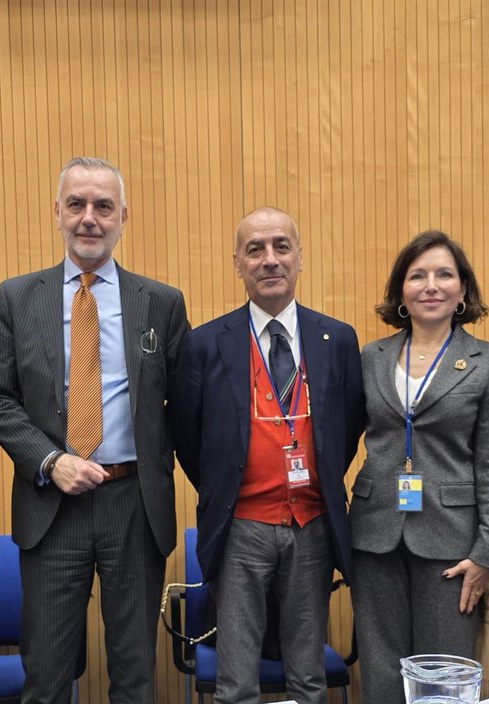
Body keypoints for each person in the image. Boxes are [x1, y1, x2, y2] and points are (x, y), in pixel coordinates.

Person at [0, 157, 189, 704]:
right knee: (46, 676)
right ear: (57, 213)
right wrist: (50, 461)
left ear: (124, 216)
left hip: (134, 503)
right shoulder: (17, 297)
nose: (89, 218)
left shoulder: (161, 303)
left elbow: (188, 405)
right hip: (53, 507)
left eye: (103, 206)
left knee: (135, 674)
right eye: (76, 205)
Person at [170, 207, 365, 704]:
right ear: (237, 263)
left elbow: (346, 429)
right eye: (255, 249)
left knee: (308, 676)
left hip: (313, 525)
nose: (269, 259)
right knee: (236, 682)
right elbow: (189, 439)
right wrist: (231, 485)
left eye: (281, 246)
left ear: (301, 258)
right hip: (241, 529)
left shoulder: (336, 339)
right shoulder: (206, 344)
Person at [350, 230, 489, 704]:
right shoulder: (371, 357)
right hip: (374, 531)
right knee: (381, 671)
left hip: (452, 541)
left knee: (444, 675)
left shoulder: (487, 361)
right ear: (401, 290)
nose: (431, 285)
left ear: (463, 289)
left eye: (444, 274)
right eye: (417, 275)